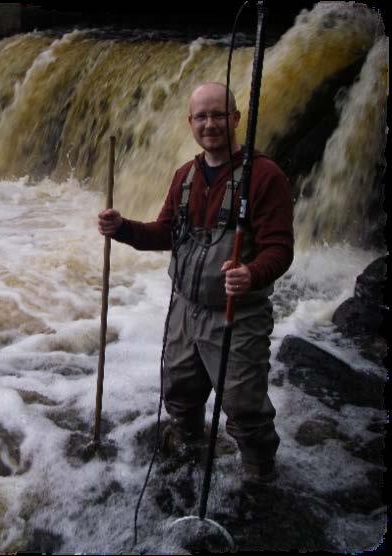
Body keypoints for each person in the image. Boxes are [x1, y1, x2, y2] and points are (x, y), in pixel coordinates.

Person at [98, 82, 293, 483]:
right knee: (180, 394)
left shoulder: (265, 176)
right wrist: (122, 229)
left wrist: (251, 274)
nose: (210, 124)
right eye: (201, 117)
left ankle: (260, 476)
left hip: (237, 315)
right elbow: (166, 233)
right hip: (184, 310)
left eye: (218, 115)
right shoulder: (185, 176)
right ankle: (187, 451)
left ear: (236, 119)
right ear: (190, 123)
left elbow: (280, 249)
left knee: (243, 406)